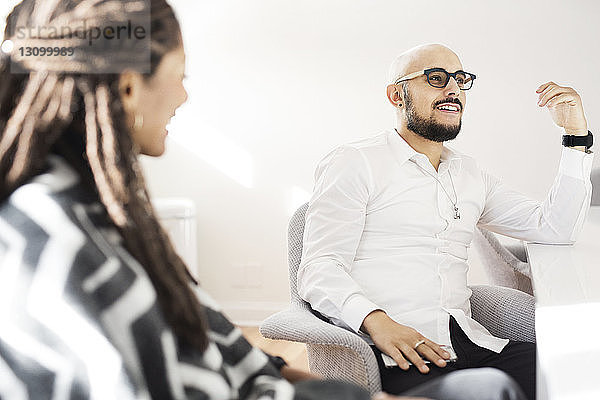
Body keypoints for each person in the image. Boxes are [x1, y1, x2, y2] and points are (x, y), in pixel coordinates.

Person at [0, 2, 530, 399]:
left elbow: (229, 348)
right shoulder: (54, 242)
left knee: (497, 384)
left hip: (288, 387)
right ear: (129, 86)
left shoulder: (112, 216)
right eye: (179, 75)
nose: (184, 95)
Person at [298, 43, 594, 400]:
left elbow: (554, 228)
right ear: (396, 95)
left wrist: (575, 137)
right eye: (436, 78)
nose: (453, 89)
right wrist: (379, 323)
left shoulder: (470, 173)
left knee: (583, 369)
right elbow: (319, 268)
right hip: (403, 354)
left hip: (473, 342)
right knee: (491, 390)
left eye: (461, 80)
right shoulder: (355, 161)